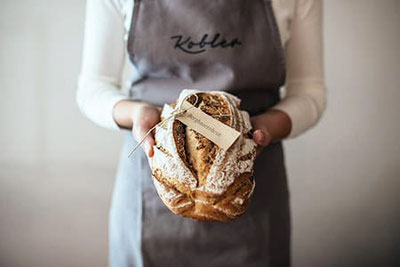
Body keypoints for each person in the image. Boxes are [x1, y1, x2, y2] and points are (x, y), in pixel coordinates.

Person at [76, 0, 326, 266]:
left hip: (252, 183)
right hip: (151, 190)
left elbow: (310, 92)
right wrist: (138, 114)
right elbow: (93, 89)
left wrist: (265, 126)